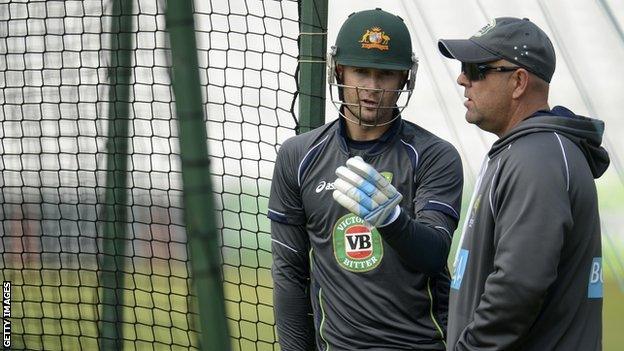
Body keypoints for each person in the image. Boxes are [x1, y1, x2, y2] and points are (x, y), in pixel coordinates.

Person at [268, 8, 463, 350]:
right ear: (338, 70)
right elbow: (289, 271)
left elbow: (434, 253)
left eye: (385, 75)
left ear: (405, 79)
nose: (371, 88)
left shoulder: (434, 155)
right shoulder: (298, 156)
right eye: (360, 71)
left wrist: (394, 221)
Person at [437, 17, 610, 351]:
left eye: (476, 70)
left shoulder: (536, 158)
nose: (462, 79)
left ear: (518, 82)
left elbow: (517, 287)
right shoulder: (524, 151)